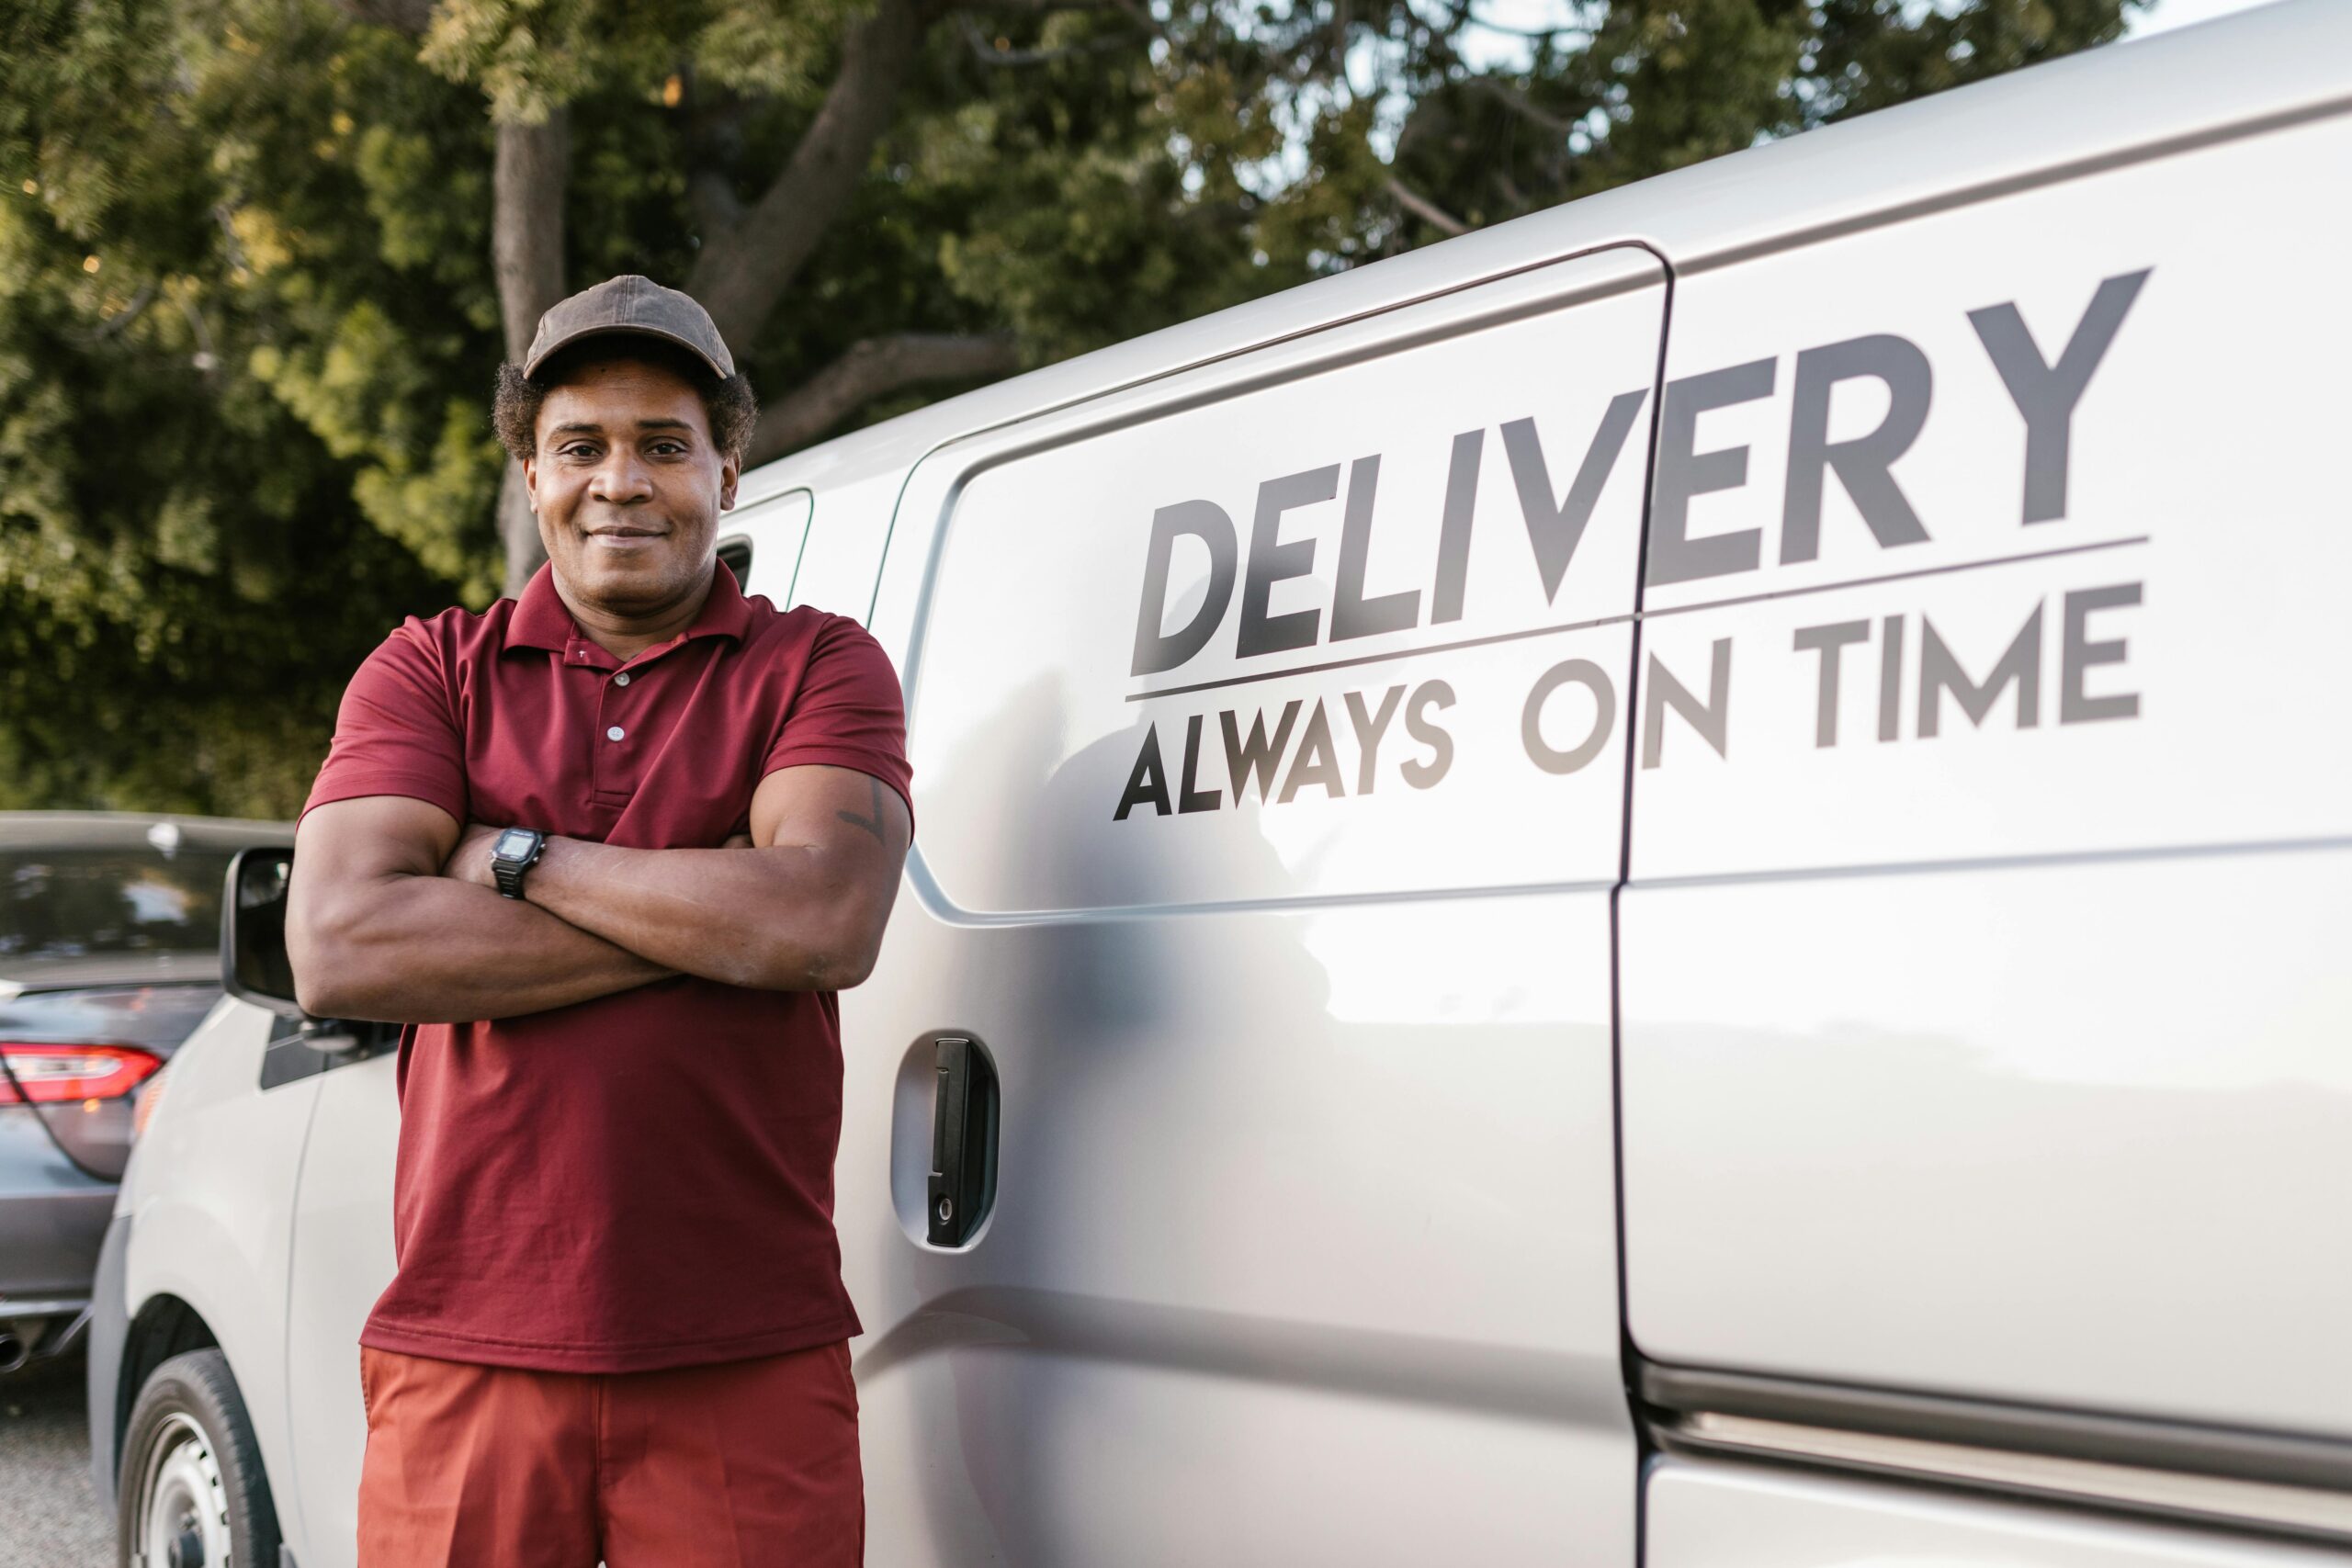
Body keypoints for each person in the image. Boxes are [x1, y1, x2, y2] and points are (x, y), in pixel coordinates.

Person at [286, 274, 912, 1568]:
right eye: (581, 446)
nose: (621, 481)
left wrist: (509, 856)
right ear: (531, 474)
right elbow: (342, 944)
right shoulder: (430, 668)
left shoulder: (819, 664)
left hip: (747, 1343)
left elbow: (822, 923)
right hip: (466, 1343)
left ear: (728, 472)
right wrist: (710, 902)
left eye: (665, 445)